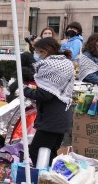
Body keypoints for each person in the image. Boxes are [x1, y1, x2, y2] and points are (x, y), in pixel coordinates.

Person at [22, 37, 75, 166]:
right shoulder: (65, 63)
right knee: (50, 153)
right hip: (62, 115)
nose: (37, 55)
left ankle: (40, 181)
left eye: (38, 52)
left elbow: (44, 94)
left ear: (44, 52)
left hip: (52, 118)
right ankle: (49, 181)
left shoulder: (51, 66)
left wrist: (25, 90)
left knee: (37, 153)